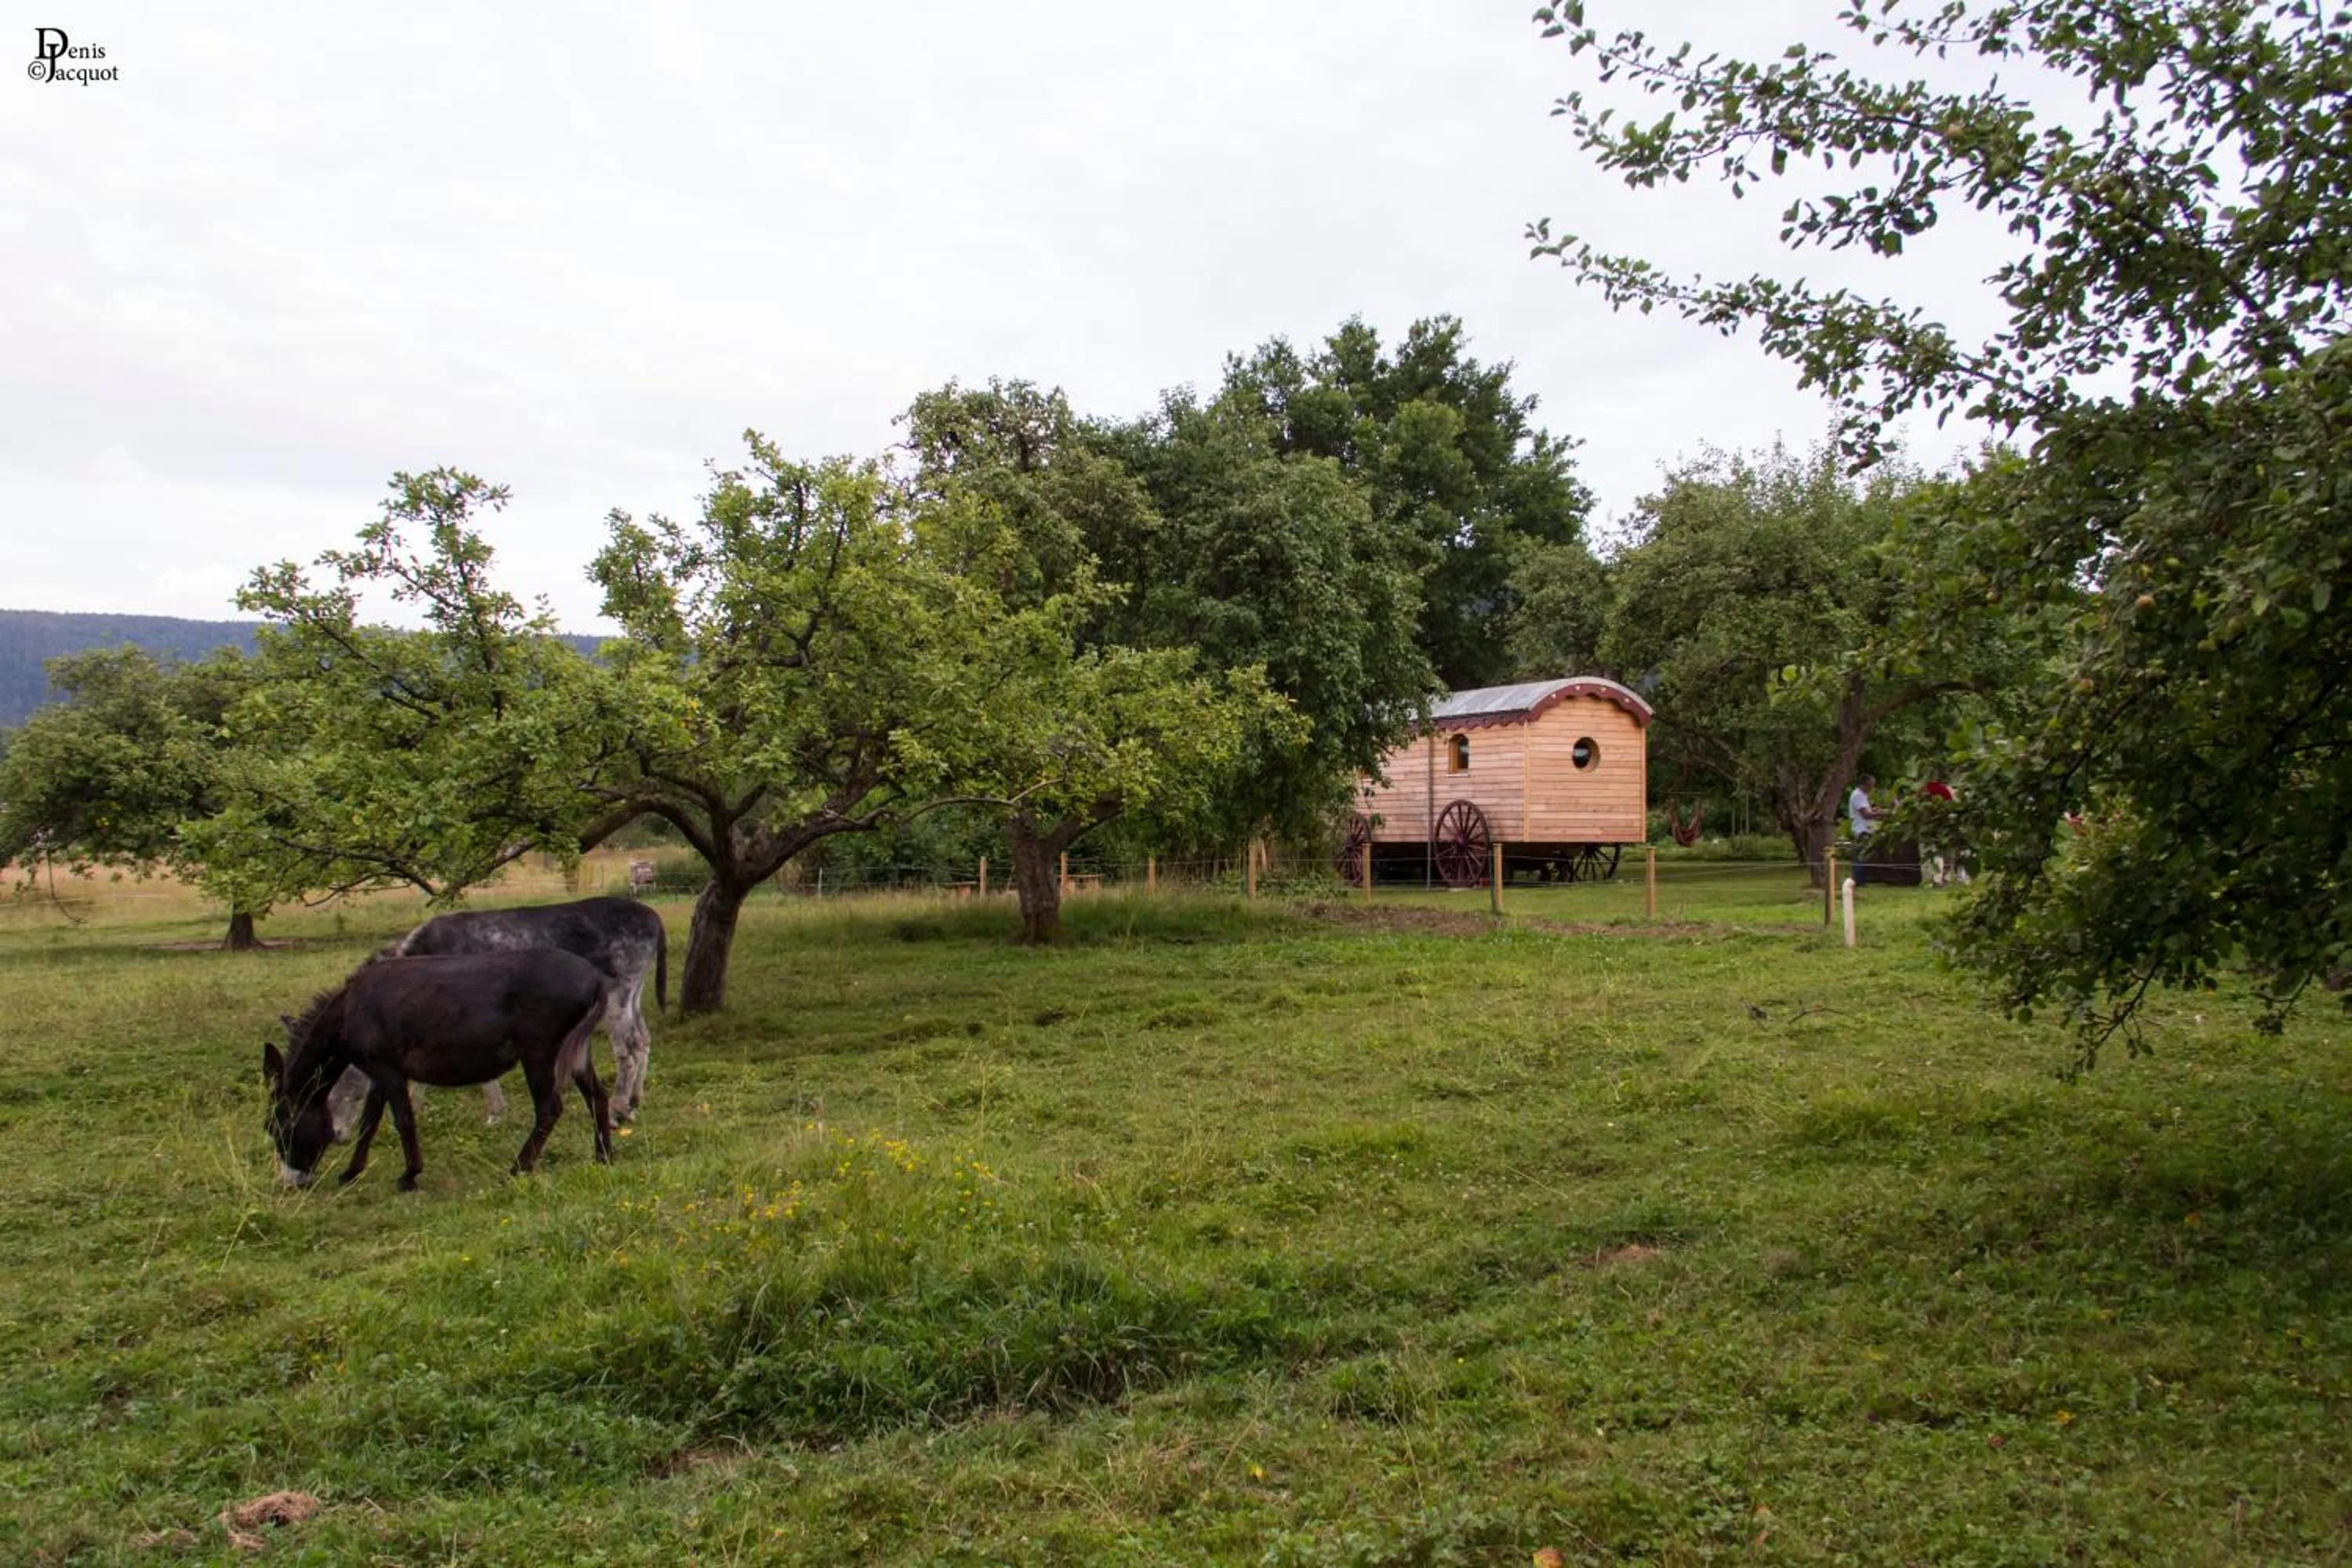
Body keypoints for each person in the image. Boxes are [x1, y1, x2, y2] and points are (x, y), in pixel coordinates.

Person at [1920, 771, 1969, 887]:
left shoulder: (1926, 789)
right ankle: (1944, 878)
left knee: (1938, 852)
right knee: (1946, 853)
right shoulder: (1946, 790)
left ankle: (1938, 879)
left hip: (1933, 824)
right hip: (1945, 824)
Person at [1846, 773, 1881, 886]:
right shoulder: (1857, 795)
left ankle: (1862, 880)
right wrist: (1881, 814)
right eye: (1871, 785)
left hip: (1866, 829)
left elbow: (1866, 811)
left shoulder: (1863, 795)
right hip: (1861, 830)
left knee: (1864, 856)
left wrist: (1874, 810)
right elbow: (1865, 815)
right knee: (1860, 856)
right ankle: (1858, 881)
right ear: (1864, 784)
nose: (1873, 788)